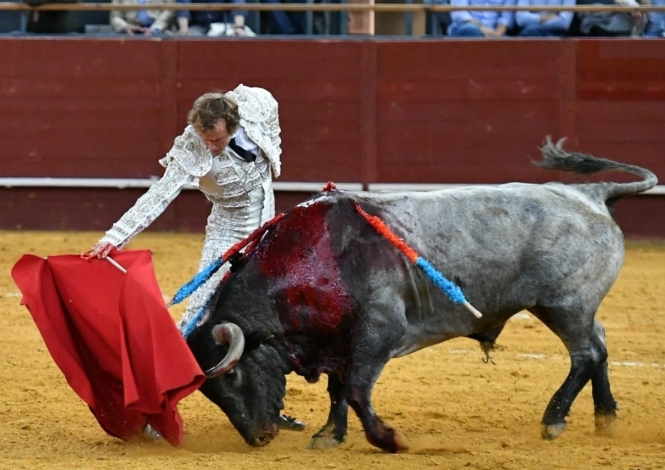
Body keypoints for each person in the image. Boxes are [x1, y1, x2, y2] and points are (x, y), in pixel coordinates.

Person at [88, 85, 305, 431]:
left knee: (272, 326)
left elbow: (268, 116)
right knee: (197, 318)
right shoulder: (192, 146)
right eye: (204, 139)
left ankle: (266, 405)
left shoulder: (258, 107)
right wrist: (115, 237)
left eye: (216, 140)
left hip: (267, 234)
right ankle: (153, 407)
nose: (209, 147)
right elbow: (159, 195)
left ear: (233, 124)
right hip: (227, 235)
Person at [175, 0, 254, 36]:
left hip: (222, 26)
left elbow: (238, 4)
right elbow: (183, 5)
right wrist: (184, 27)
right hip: (198, 26)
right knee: (186, 39)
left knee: (244, 37)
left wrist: (238, 27)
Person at [447, 0, 517, 37]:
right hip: (465, 27)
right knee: (472, 30)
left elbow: (507, 17)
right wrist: (482, 28)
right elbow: (459, 14)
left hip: (494, 32)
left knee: (514, 44)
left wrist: (496, 35)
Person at [110, 0, 175, 35]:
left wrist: (154, 29)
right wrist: (125, 27)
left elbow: (169, 11)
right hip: (130, 30)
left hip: (159, 29)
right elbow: (115, 16)